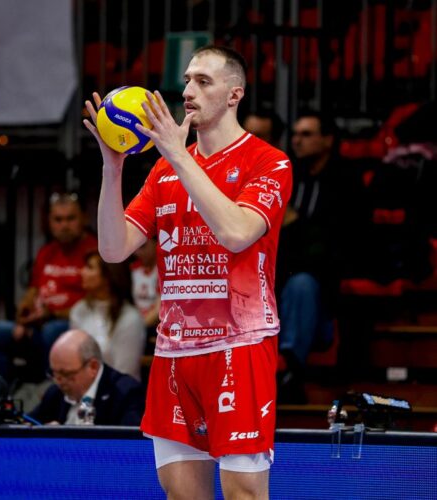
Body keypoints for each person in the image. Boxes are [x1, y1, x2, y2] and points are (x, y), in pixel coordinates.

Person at [85, 45, 292, 498]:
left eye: (203, 81)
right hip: (174, 352)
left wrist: (180, 157)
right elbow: (113, 249)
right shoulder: (163, 171)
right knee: (181, 494)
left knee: (244, 493)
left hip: (239, 346)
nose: (187, 91)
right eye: (186, 80)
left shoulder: (268, 162)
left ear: (235, 94)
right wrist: (112, 169)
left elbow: (237, 232)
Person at [276, 110, 364, 401]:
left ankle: (290, 370)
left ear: (328, 140)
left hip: (326, 290)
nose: (297, 140)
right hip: (282, 275)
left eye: (307, 134)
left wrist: (295, 225)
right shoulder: (288, 177)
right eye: (295, 134)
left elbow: (342, 242)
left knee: (302, 283)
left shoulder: (346, 182)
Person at [0, 193, 98, 384]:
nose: (64, 225)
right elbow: (33, 290)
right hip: (38, 325)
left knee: (52, 331)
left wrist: (52, 314)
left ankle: (50, 391)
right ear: (49, 221)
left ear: (84, 218)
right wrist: (24, 312)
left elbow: (96, 303)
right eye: (58, 219)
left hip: (74, 328)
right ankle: (4, 392)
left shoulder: (94, 252)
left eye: (70, 218)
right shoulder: (47, 251)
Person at [29, 329, 144, 426]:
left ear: (93, 367)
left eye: (66, 374)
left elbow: (129, 442)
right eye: (53, 373)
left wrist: (62, 438)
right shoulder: (55, 394)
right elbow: (27, 425)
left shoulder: (126, 394)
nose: (58, 381)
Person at [70, 251, 146, 381]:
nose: (82, 271)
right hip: (83, 388)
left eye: (90, 267)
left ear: (108, 277)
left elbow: (125, 374)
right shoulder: (79, 310)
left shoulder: (130, 318)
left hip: (119, 390)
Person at [130, 238, 160, 352]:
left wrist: (136, 328)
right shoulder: (132, 269)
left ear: (156, 244)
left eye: (142, 247)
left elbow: (159, 310)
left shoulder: (165, 269)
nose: (137, 252)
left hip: (154, 327)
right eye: (135, 248)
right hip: (135, 325)